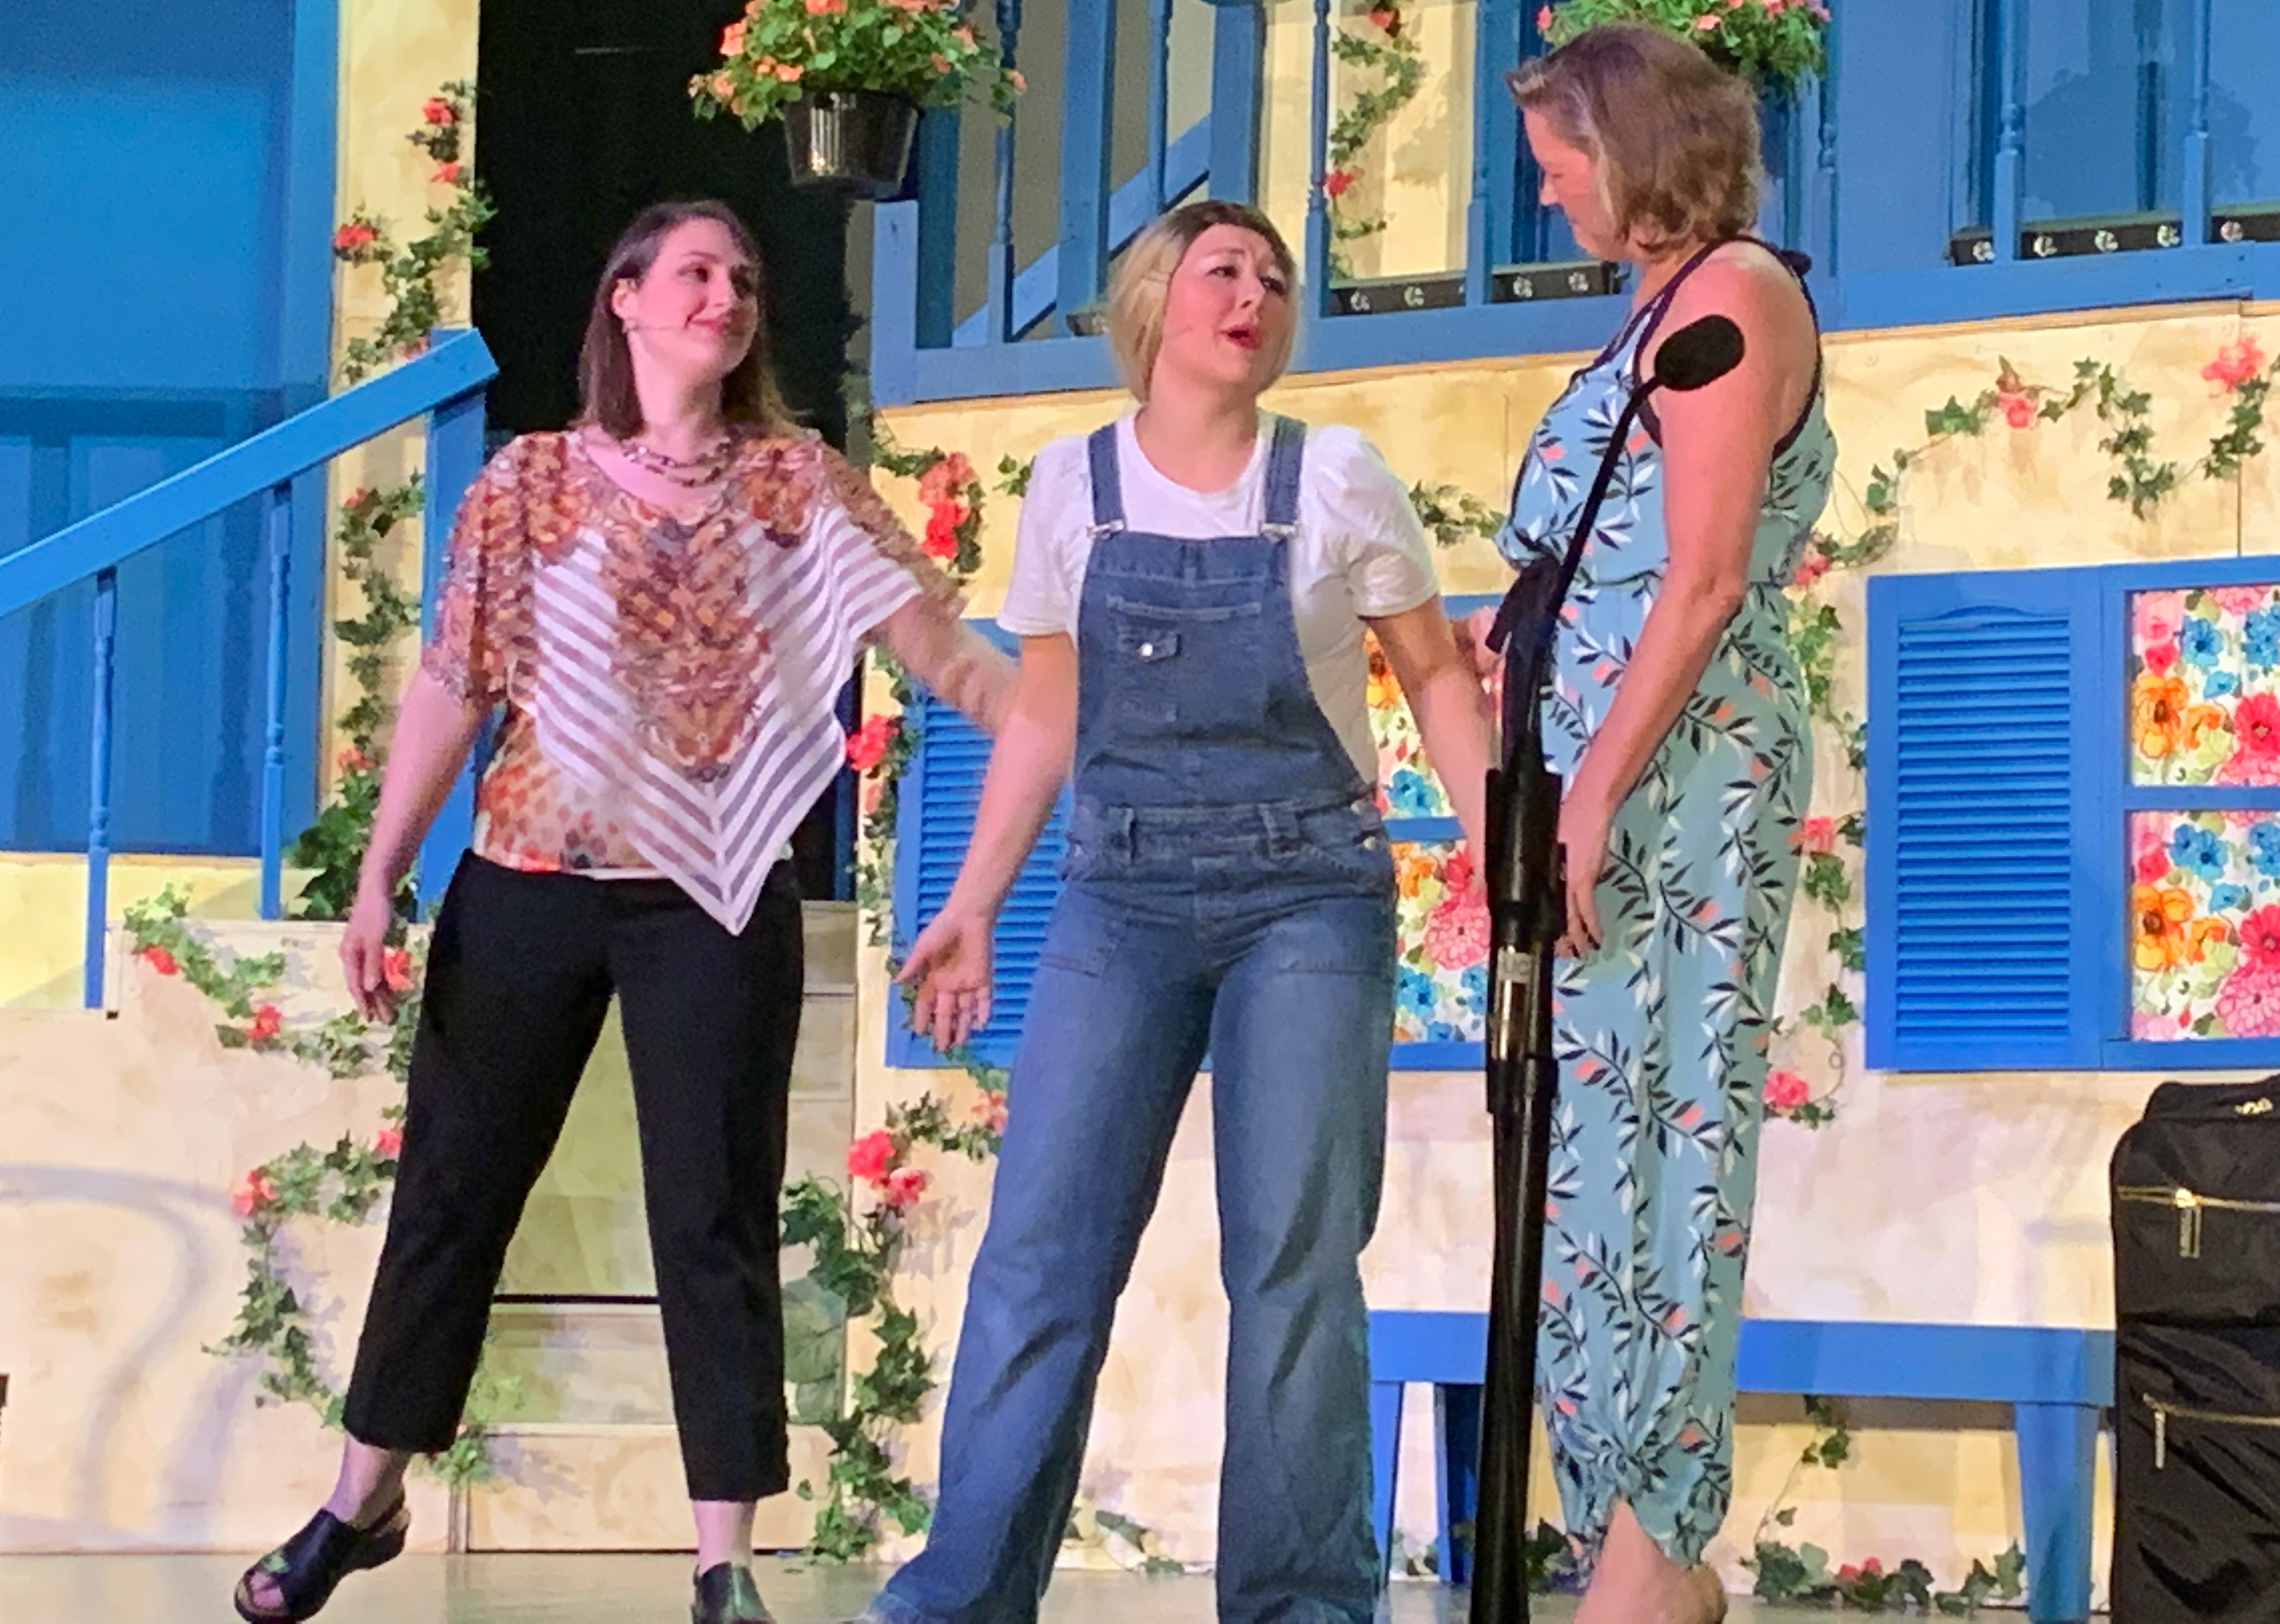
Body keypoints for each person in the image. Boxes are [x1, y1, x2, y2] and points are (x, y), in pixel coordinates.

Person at [234, 200, 1013, 1624]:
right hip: (527, 879)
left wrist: (1049, 716)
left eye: (745, 278)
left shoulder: (797, 485)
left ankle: (724, 1561)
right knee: (454, 1194)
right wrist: (382, 869)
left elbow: (940, 651)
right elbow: (454, 681)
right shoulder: (530, 481)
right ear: (628, 297)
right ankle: (359, 1500)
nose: (727, 294)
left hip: (714, 893)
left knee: (712, 1213)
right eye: (698, 271)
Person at [876, 201, 1494, 1624]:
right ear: (1155, 300)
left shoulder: (1334, 477)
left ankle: (1299, 1608)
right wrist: (973, 903)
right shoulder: (1071, 486)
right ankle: (957, 1600)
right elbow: (1046, 712)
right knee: (1041, 1254)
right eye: (1224, 269)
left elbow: (1434, 678)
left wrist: (1505, 861)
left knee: (1293, 1264)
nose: (1254, 294)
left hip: (1308, 897)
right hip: (1120, 894)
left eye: (1274, 279)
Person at [1477, 25, 1834, 1624]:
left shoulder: (1734, 296)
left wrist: (1595, 795)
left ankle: (1654, 1542)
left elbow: (1700, 580)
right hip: (1598, 784)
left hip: (1678, 783)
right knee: (1586, 1163)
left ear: (1631, 144)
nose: (1549, 191)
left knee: (1665, 1148)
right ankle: (1639, 1551)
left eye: (1562, 160)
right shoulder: (1654, 306)